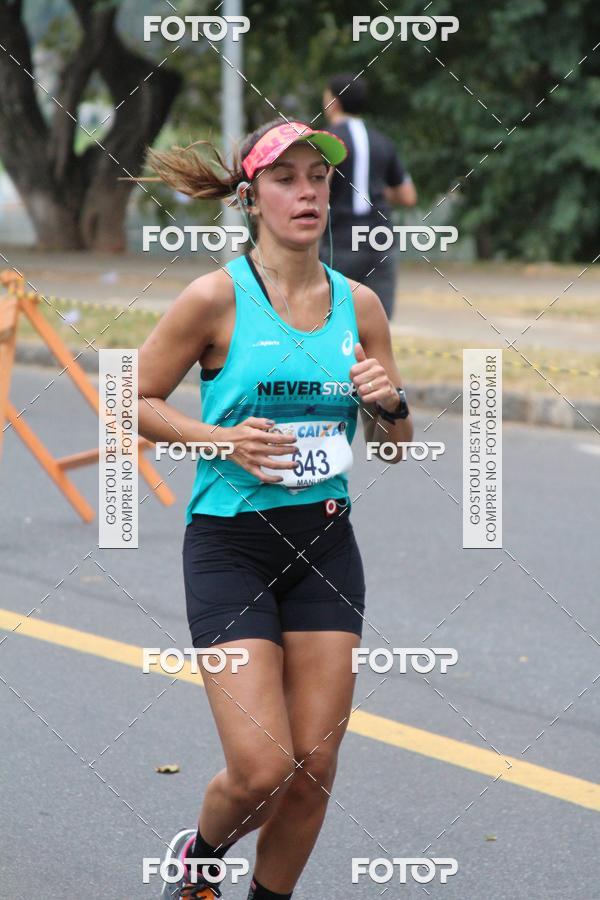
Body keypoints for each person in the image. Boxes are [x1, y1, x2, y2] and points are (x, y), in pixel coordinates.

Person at [136, 119, 413, 900]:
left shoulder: (359, 306)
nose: (307, 193)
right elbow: (132, 401)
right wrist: (219, 439)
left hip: (324, 545)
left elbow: (396, 440)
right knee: (264, 765)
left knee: (315, 763)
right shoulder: (215, 297)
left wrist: (388, 404)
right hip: (231, 547)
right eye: (286, 178)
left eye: (318, 179)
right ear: (252, 197)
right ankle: (201, 853)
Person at [321, 73, 418, 320]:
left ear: (334, 102)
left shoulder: (327, 141)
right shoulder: (383, 142)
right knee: (377, 323)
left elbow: (318, 187)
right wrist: (375, 189)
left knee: (333, 319)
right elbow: (408, 195)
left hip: (340, 240)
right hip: (379, 239)